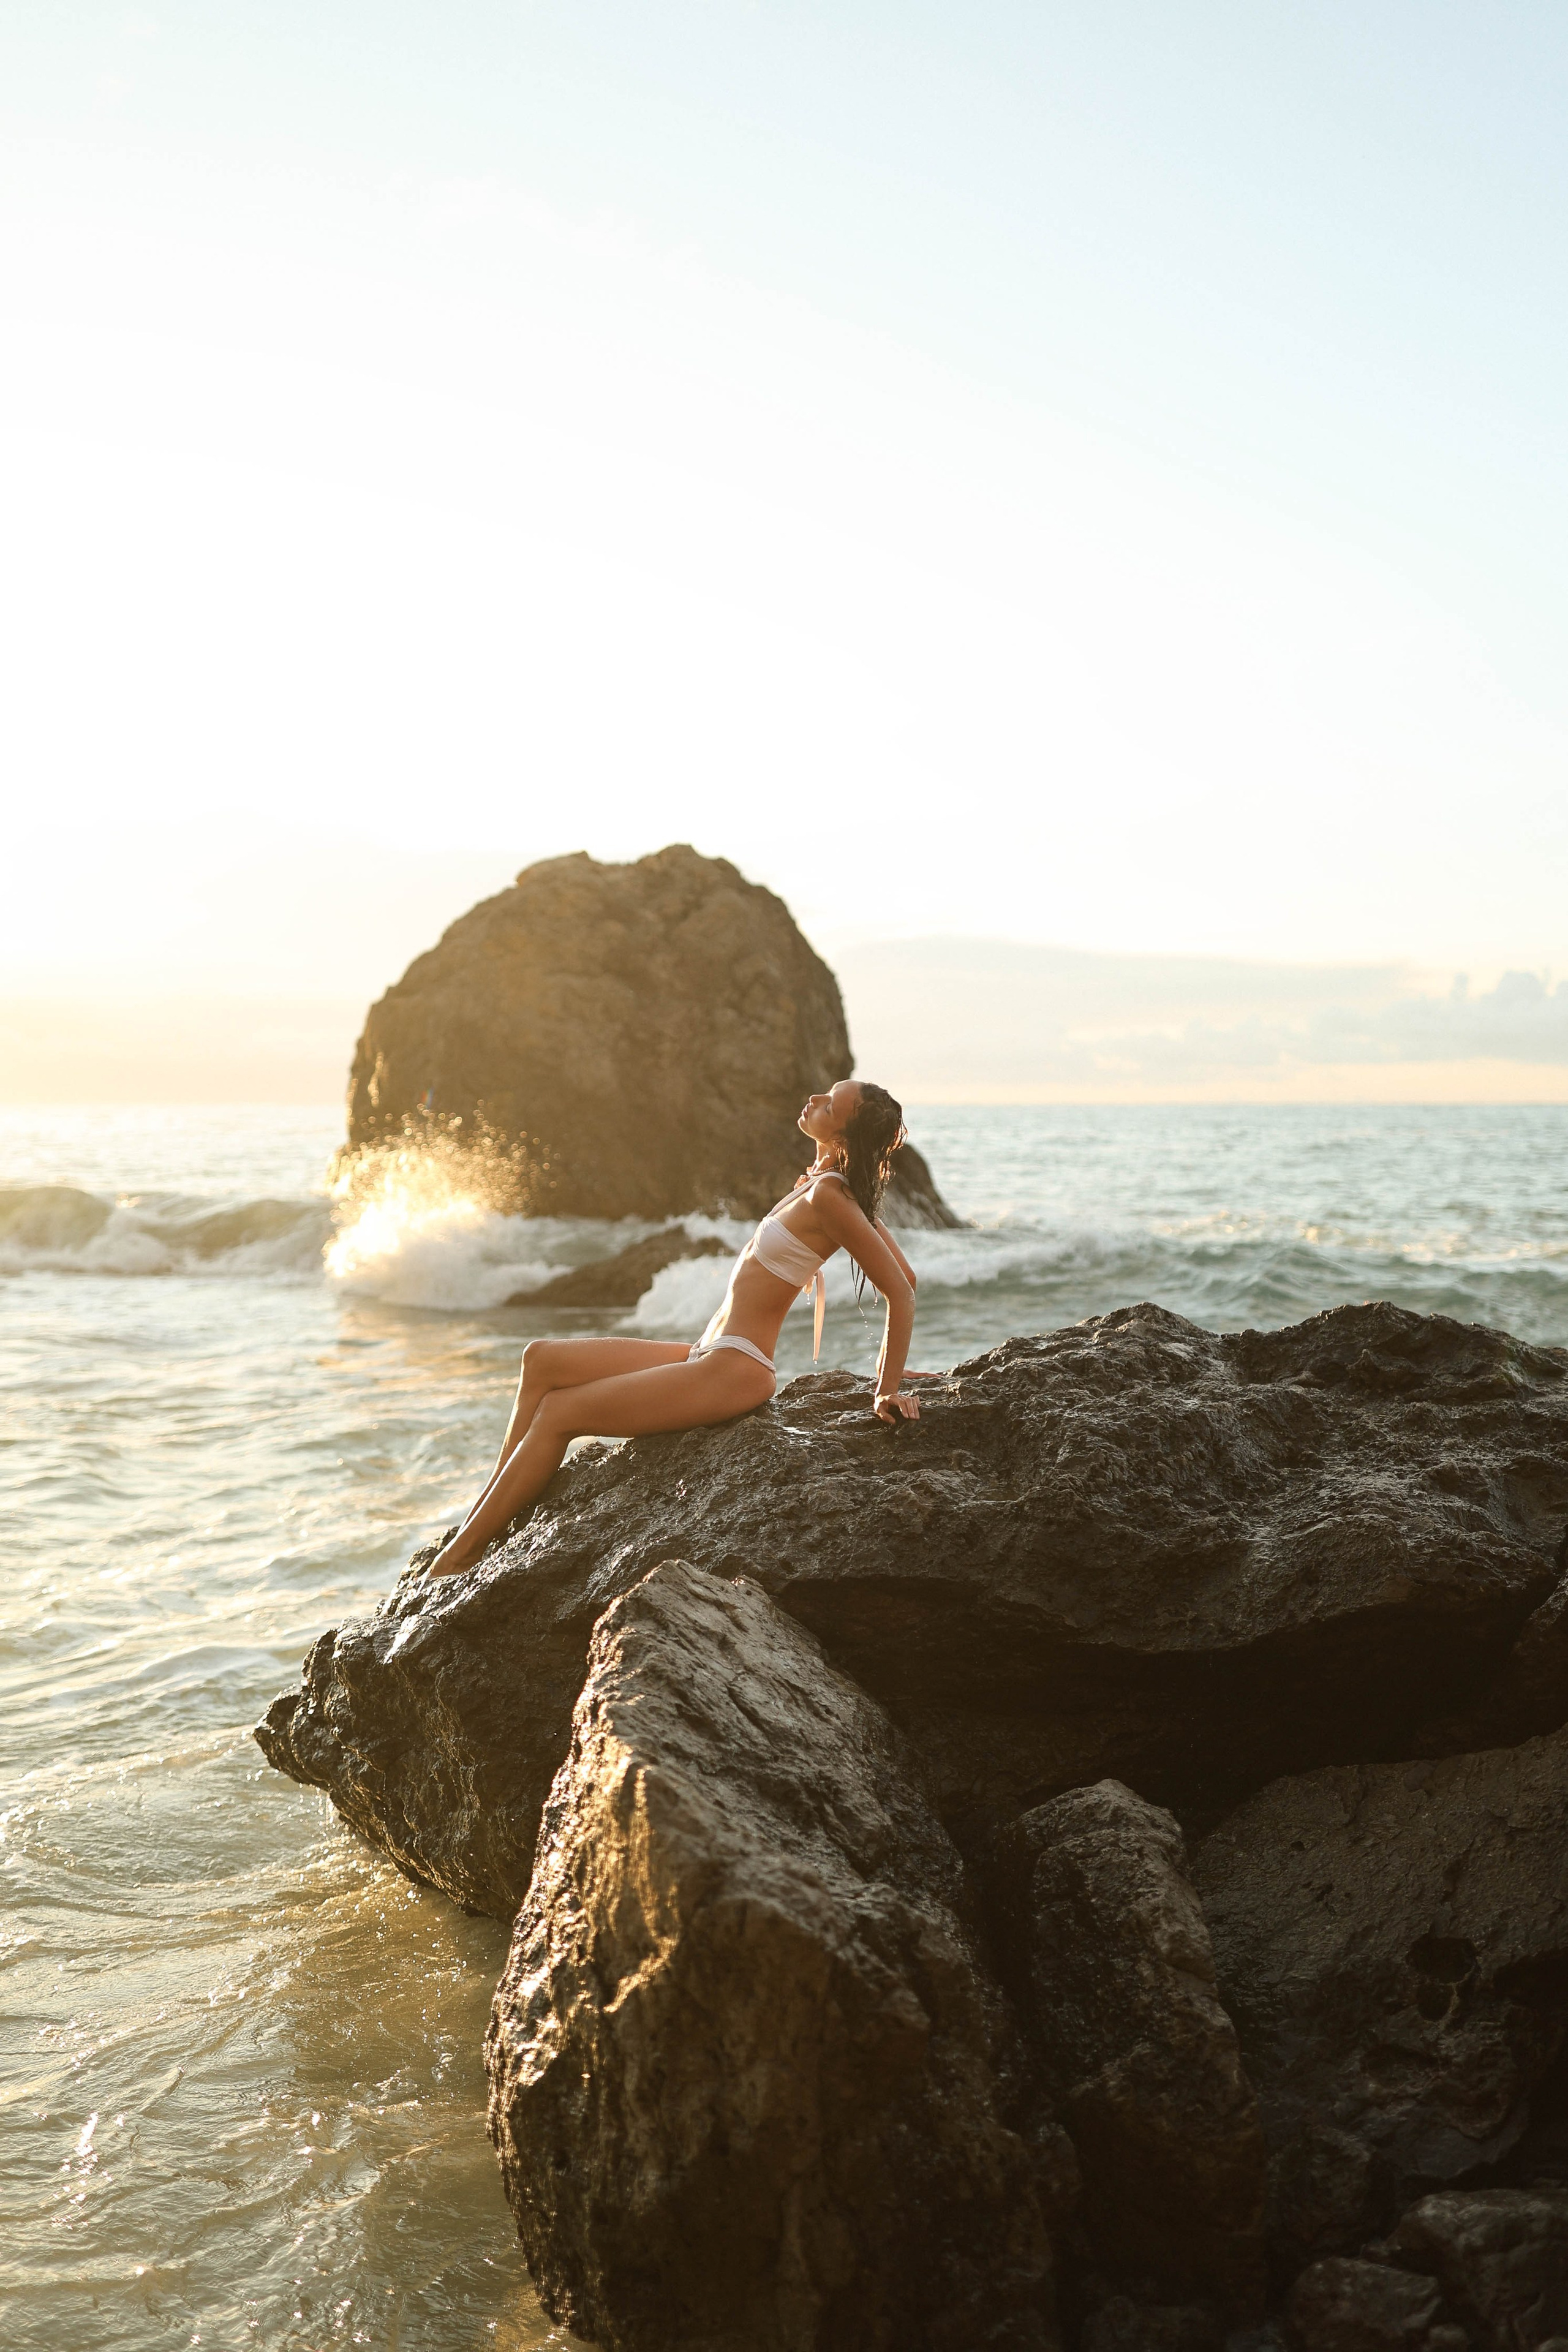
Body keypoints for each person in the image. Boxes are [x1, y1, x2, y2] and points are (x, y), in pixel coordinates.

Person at [426, 1079, 920, 1577]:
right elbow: (911, 1276)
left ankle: (460, 1556)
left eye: (829, 1105)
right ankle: (484, 1518)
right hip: (707, 1353)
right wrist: (892, 1368)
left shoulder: (832, 1198)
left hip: (737, 1367)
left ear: (843, 1138)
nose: (814, 1100)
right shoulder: (820, 1185)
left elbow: (900, 1290)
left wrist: (887, 1388)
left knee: (559, 1412)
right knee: (542, 1359)